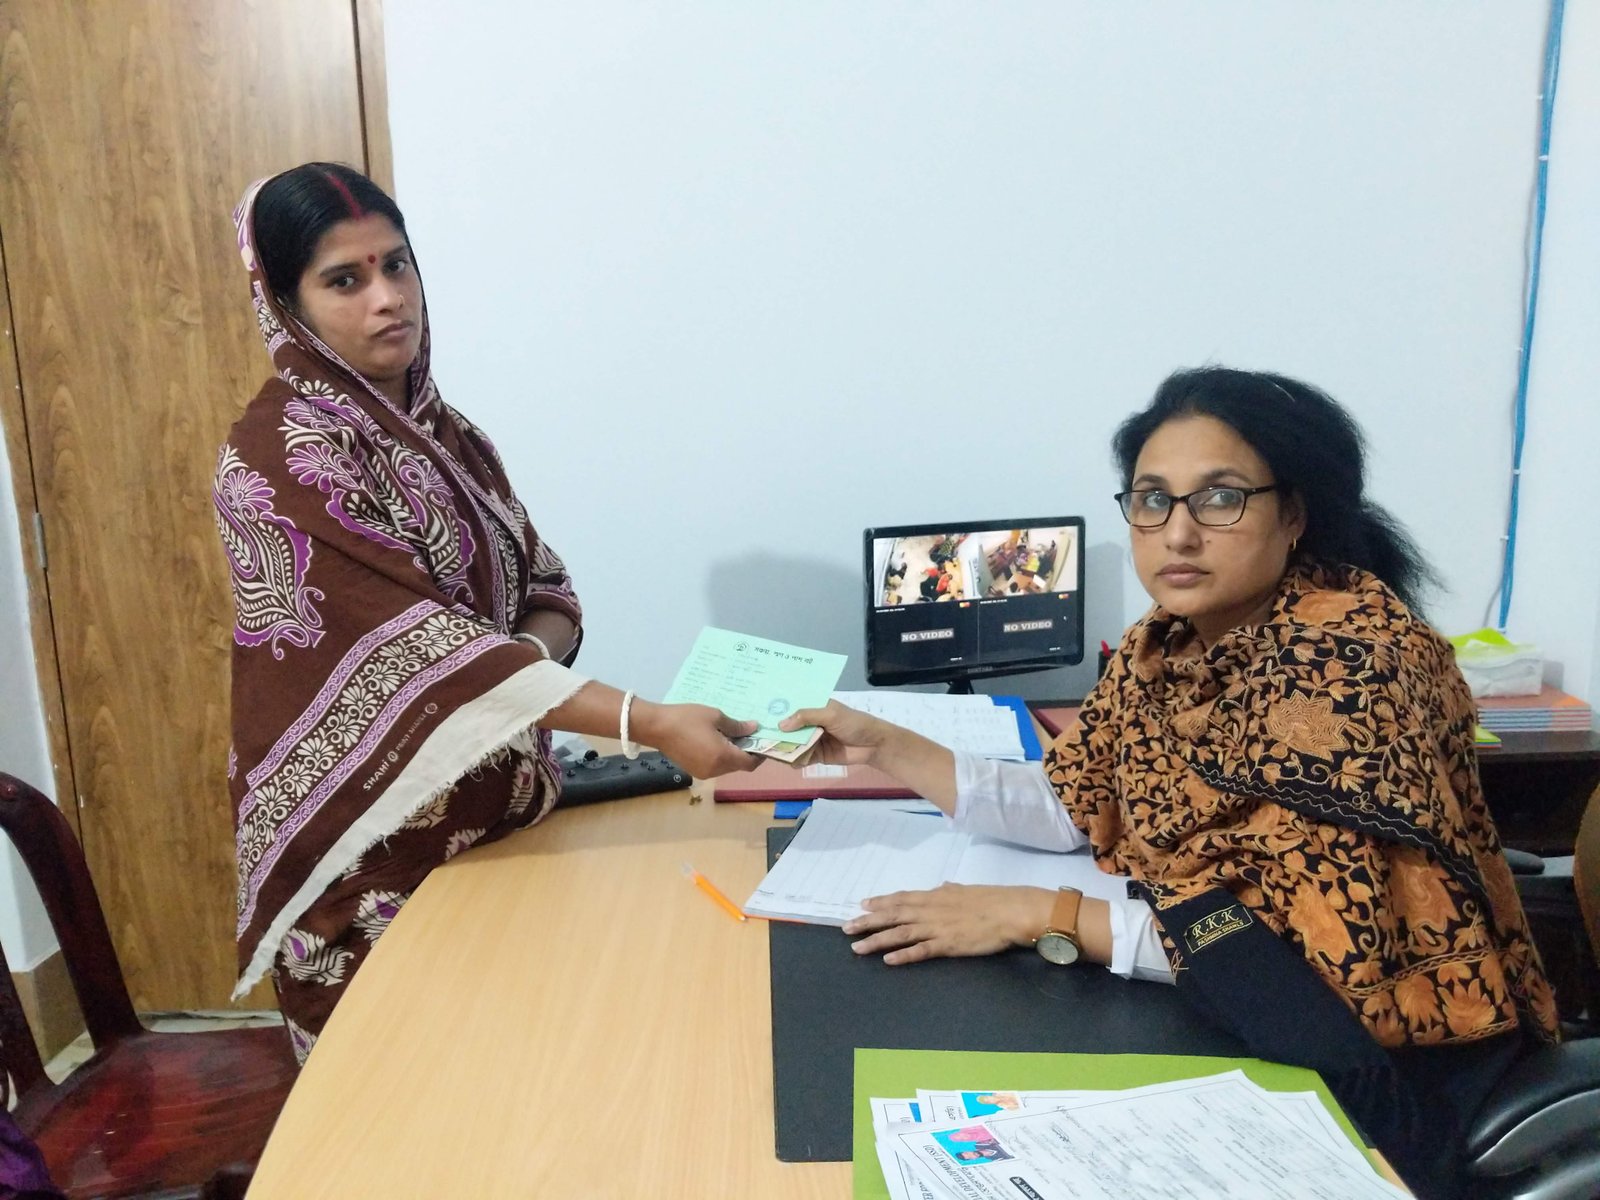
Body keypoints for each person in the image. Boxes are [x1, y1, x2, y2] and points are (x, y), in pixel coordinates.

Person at [781, 367, 1557, 1198]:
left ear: (1294, 514)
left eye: (1219, 498)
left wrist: (1043, 916)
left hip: (1386, 1070)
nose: (1177, 534)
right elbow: (1077, 800)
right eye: (1153, 499)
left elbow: (1295, 953)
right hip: (1218, 999)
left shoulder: (1348, 667)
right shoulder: (1168, 640)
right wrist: (886, 746)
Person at [213, 163, 758, 1062]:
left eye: (399, 265)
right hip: (380, 860)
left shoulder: (448, 432)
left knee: (536, 1080)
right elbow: (427, 654)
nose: (389, 298)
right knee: (415, 1121)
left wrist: (514, 674)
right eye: (345, 280)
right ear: (286, 302)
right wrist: (642, 720)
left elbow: (541, 587)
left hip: (503, 826)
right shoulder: (279, 456)